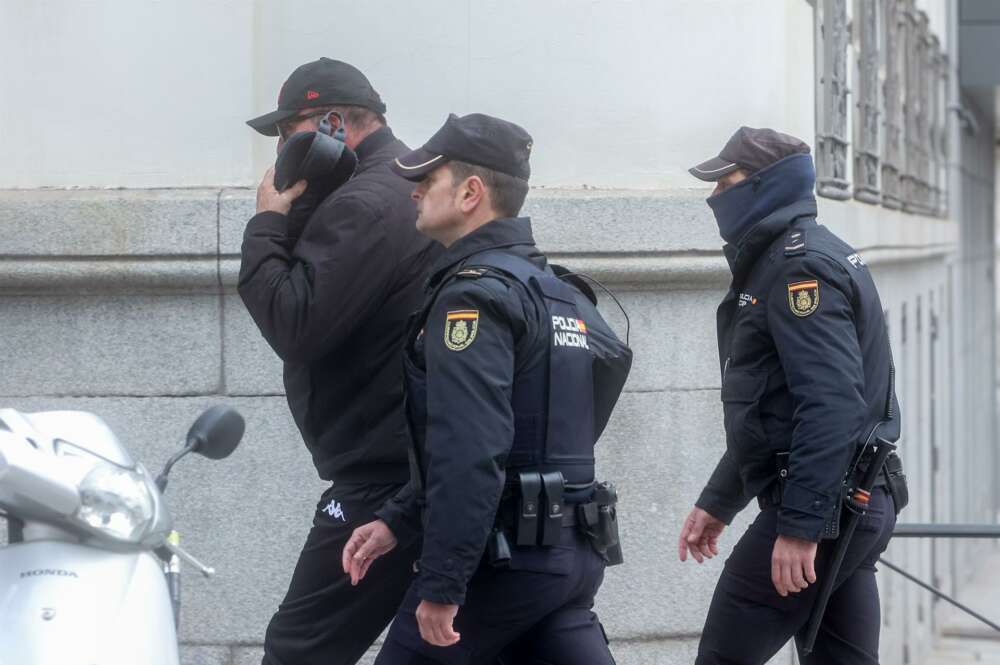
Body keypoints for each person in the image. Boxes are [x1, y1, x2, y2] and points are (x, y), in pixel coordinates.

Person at [340, 112, 631, 665]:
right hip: (569, 555)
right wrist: (398, 520)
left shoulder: (472, 298)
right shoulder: (558, 292)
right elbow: (561, 417)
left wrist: (444, 583)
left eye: (428, 177)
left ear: (471, 192)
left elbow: (469, 447)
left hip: (502, 564)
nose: (416, 190)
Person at [678, 126, 906, 664]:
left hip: (827, 509)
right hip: (854, 501)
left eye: (724, 182)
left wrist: (803, 528)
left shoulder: (798, 269)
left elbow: (831, 405)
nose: (714, 198)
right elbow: (770, 412)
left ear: (762, 186)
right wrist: (720, 500)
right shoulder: (796, 258)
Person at [239, 57, 440, 665]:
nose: (279, 151)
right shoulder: (402, 184)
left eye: (285, 132)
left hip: (381, 477)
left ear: (330, 123)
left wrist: (269, 218)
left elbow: (295, 322)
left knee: (300, 647)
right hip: (417, 465)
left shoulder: (366, 203)